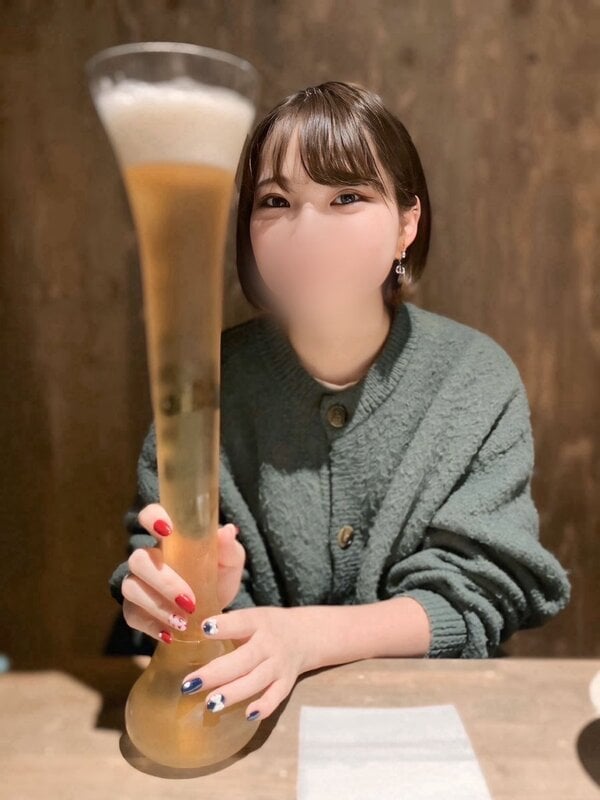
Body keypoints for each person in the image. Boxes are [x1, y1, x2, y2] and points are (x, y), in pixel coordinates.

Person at [108, 80, 571, 723]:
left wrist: (308, 637)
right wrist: (189, 596)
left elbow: (482, 592)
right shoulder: (201, 382)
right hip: (245, 722)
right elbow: (165, 589)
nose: (307, 231)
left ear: (407, 223)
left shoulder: (475, 380)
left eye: (346, 197)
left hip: (430, 718)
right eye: (276, 201)